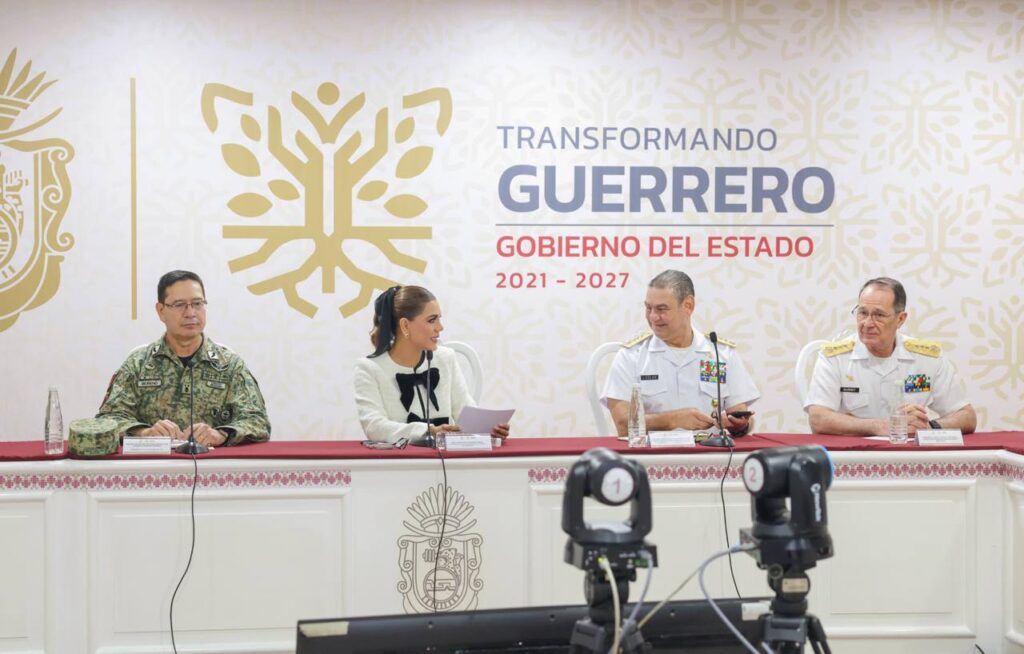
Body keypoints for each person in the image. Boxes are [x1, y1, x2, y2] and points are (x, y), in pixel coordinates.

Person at [96, 270, 270, 447]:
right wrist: (144, 432)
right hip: (153, 462)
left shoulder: (229, 365)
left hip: (211, 462)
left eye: (197, 303)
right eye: (180, 305)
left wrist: (222, 434)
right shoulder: (138, 364)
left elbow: (258, 422)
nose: (190, 313)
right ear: (161, 311)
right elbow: (107, 419)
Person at [804, 277, 976, 436]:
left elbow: (966, 416)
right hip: (855, 454)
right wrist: (879, 426)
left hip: (910, 453)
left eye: (879, 315)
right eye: (862, 313)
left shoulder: (927, 358)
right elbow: (818, 418)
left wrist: (929, 427)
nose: (867, 323)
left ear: (900, 319)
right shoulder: (835, 357)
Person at [601, 270, 759, 438]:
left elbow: (740, 416)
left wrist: (741, 424)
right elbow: (623, 425)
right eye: (648, 308)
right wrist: (672, 420)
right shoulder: (631, 355)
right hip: (651, 452)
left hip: (710, 451)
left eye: (661, 309)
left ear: (688, 305)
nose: (653, 317)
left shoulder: (721, 353)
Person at [353, 285, 510, 443]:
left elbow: (466, 412)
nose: (440, 327)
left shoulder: (446, 358)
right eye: (432, 320)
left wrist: (488, 429)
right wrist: (428, 431)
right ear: (405, 325)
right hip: (398, 458)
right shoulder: (368, 368)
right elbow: (374, 427)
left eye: (439, 319)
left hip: (449, 458)